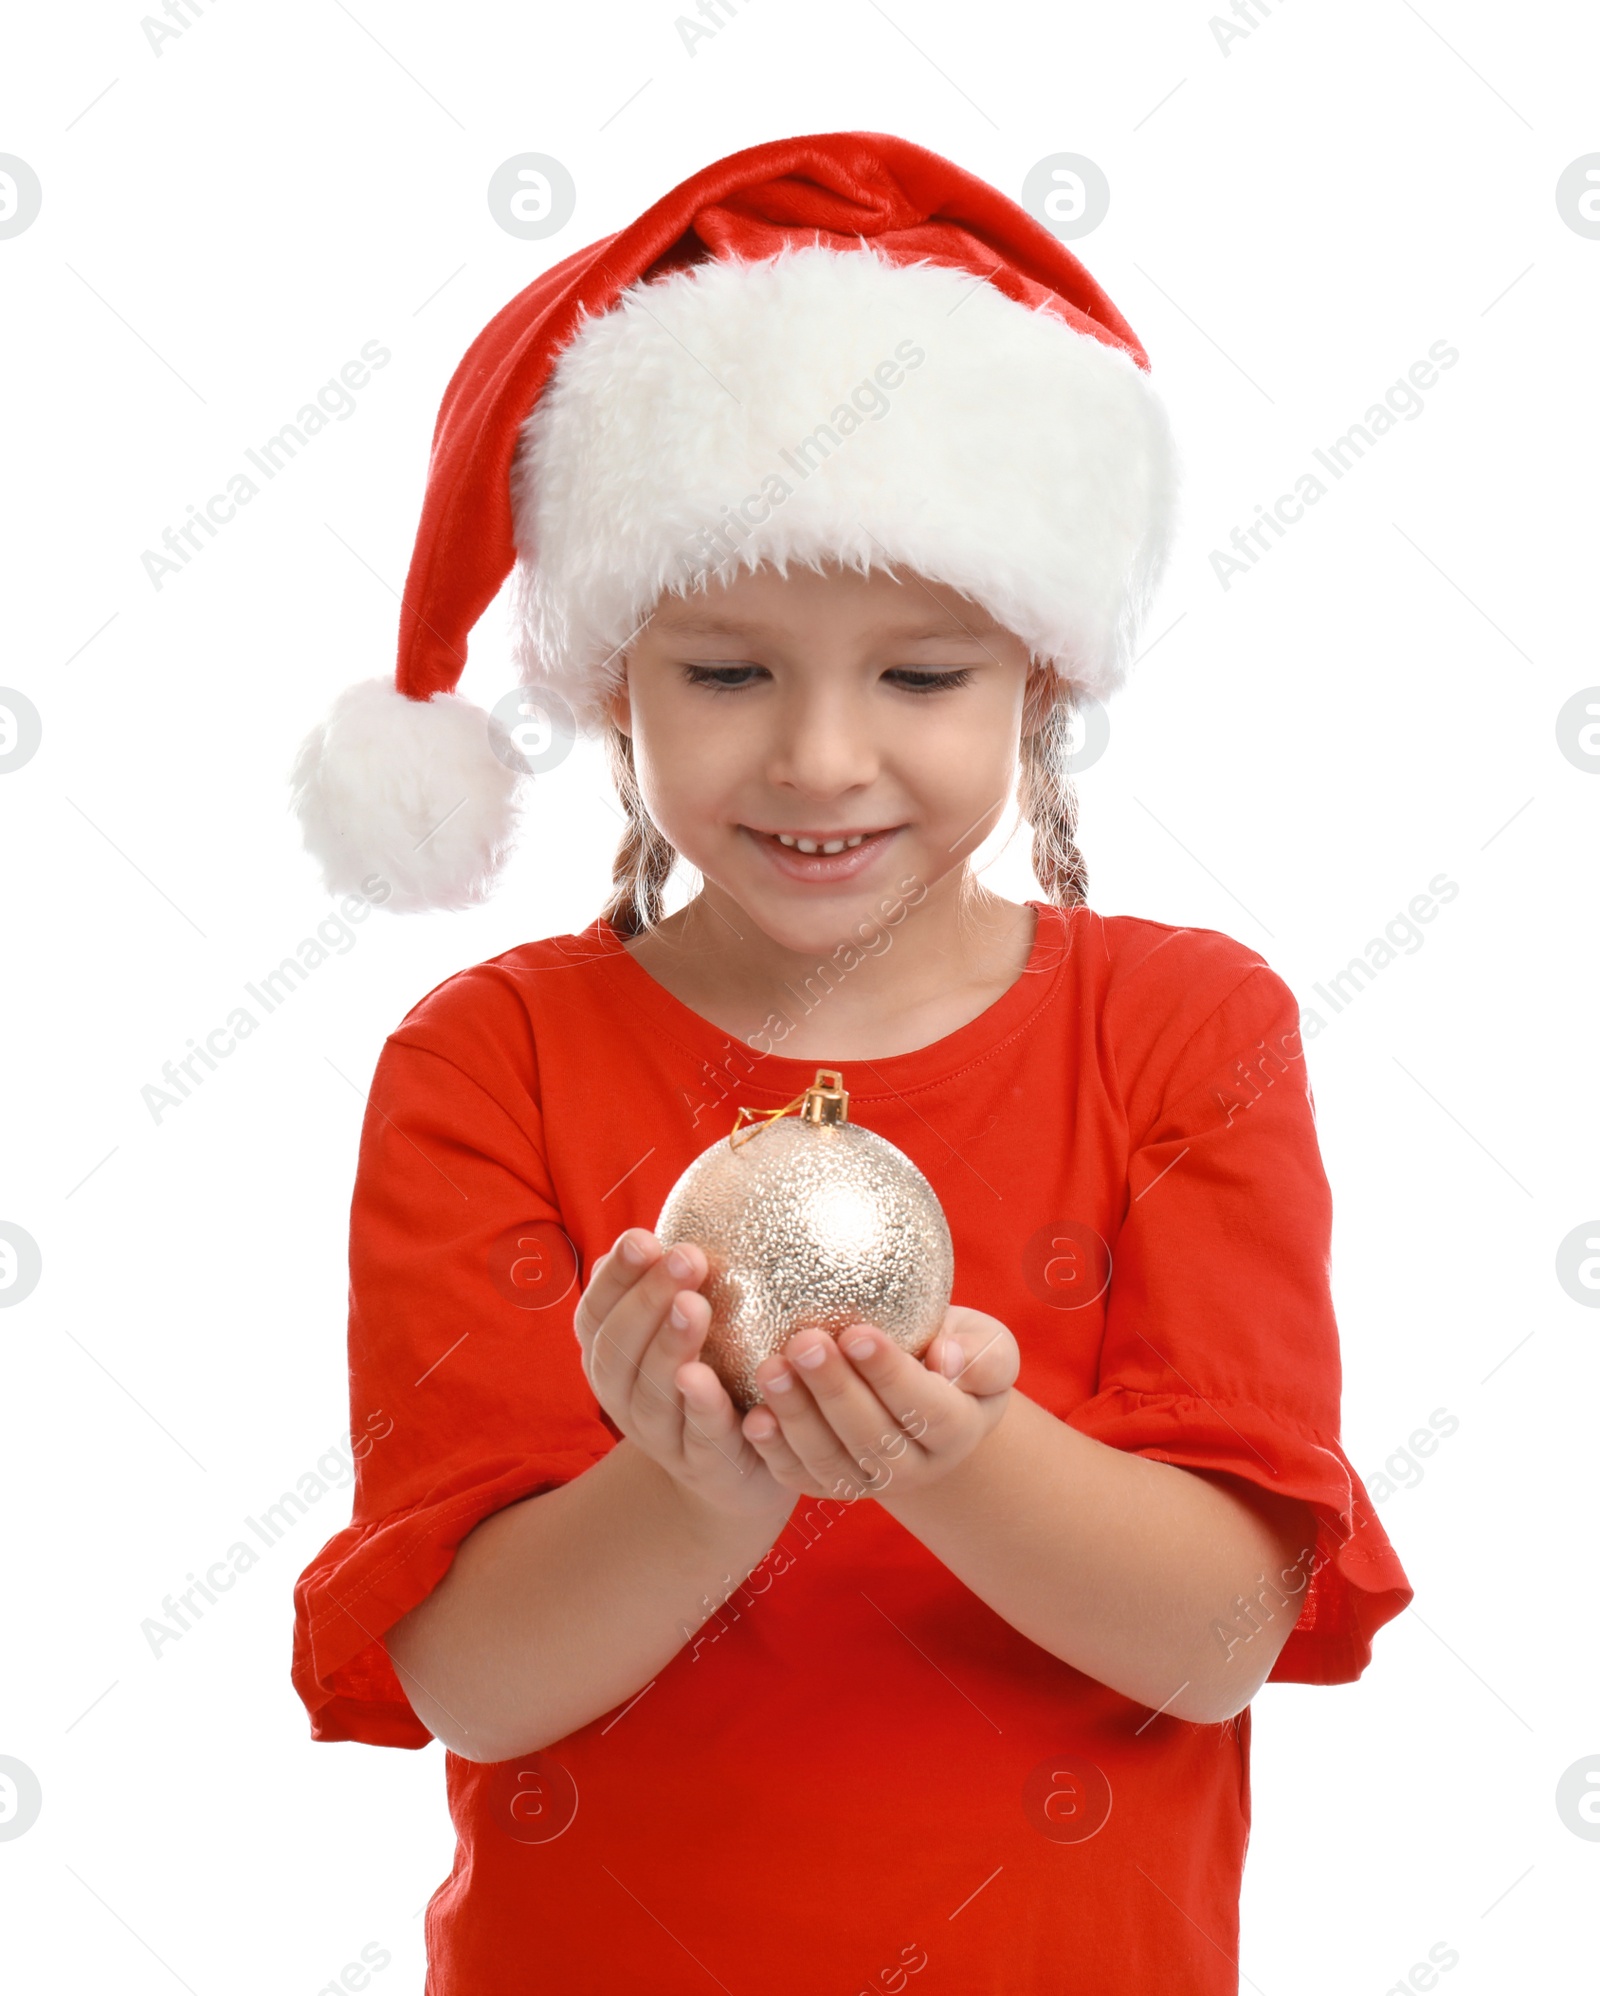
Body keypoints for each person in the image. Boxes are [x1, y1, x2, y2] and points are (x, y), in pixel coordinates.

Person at [288, 132, 1412, 1995]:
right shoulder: (491, 1063)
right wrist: (701, 1484)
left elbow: (1223, 1634)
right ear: (609, 688)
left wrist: (951, 1458)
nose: (820, 760)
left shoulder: (1186, 1031)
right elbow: (474, 1689)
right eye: (726, 673)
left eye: (920, 676)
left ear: (1038, 685)